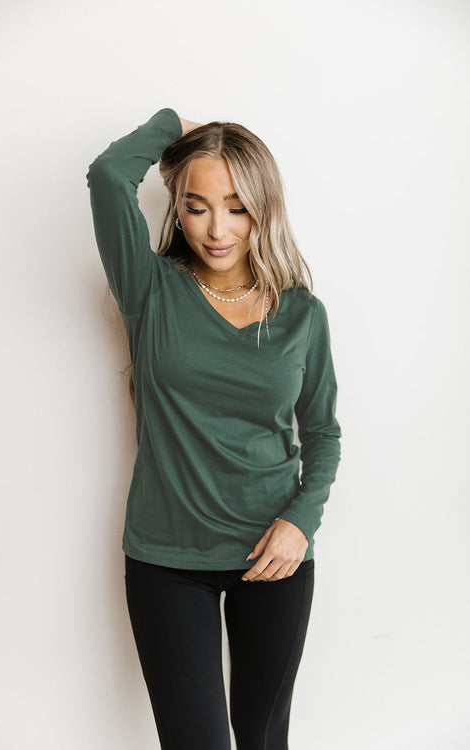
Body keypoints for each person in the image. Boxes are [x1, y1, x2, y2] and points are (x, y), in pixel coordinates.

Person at [86, 107, 341, 750]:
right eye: (196, 207)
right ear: (178, 210)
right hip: (167, 559)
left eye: (237, 207)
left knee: (262, 738)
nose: (217, 229)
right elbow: (110, 174)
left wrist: (300, 521)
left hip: (275, 555)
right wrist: (173, 126)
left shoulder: (302, 314)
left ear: (263, 208)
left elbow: (322, 433)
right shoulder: (149, 289)